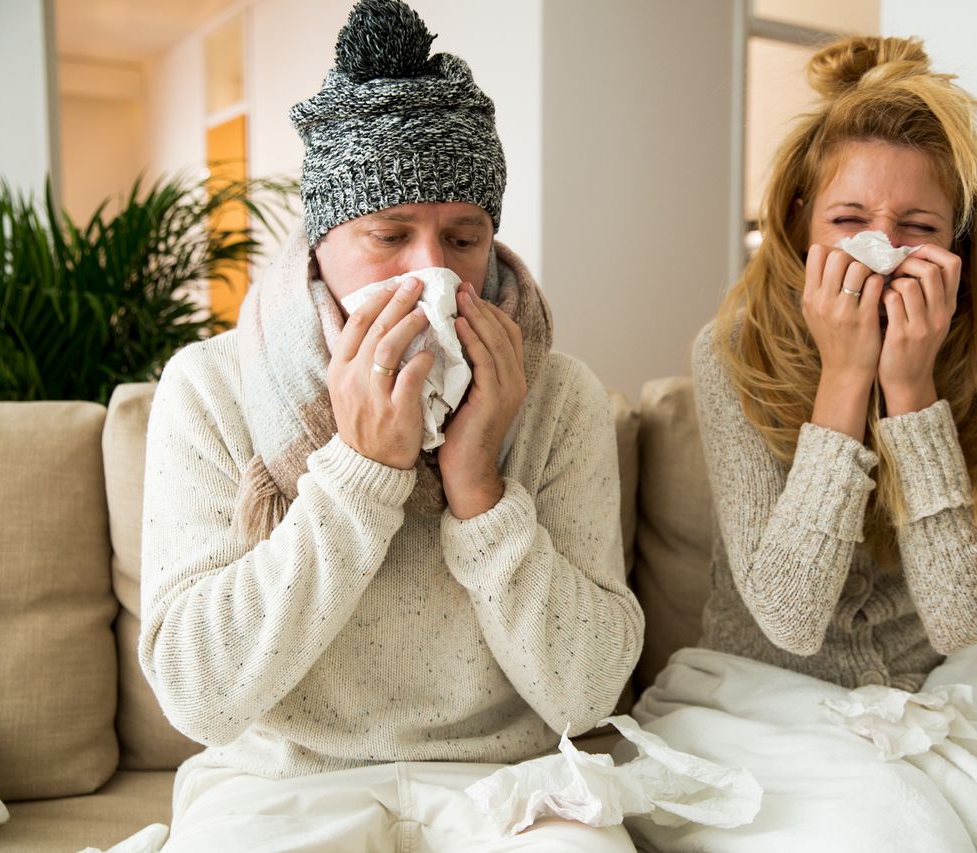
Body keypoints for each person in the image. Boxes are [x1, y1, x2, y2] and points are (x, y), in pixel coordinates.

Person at [137, 1, 642, 850]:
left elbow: (589, 691)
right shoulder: (210, 389)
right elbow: (199, 694)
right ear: (322, 244)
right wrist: (361, 472)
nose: (431, 274)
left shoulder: (561, 397)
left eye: (463, 237)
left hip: (507, 782)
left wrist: (480, 489)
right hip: (281, 784)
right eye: (390, 234)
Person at [627, 35, 977, 850]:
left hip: (936, 692)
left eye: (917, 226)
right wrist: (847, 379)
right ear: (800, 222)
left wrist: (912, 390)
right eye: (850, 220)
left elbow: (964, 619)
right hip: (763, 695)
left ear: (957, 248)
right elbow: (789, 614)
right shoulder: (732, 349)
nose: (882, 248)